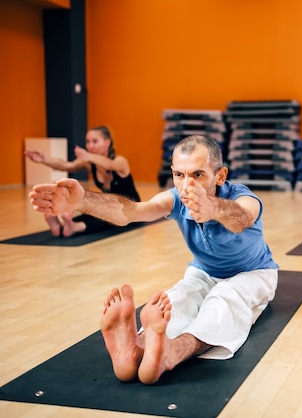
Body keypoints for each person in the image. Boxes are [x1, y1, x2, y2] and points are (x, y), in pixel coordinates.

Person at [29, 135, 278, 384]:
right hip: (203, 272)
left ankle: (174, 352)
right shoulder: (175, 199)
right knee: (178, 298)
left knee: (224, 298)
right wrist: (83, 200)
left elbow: (243, 217)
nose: (186, 185)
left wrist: (213, 208)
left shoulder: (242, 197)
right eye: (179, 175)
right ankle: (137, 347)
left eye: (198, 175)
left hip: (254, 274)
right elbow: (130, 211)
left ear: (220, 176)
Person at [24, 125, 140, 237]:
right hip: (111, 203)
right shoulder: (91, 164)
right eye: (88, 142)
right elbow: (67, 165)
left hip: (132, 208)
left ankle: (76, 227)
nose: (90, 146)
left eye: (95, 141)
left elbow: (109, 165)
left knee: (109, 215)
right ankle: (63, 225)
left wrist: (88, 156)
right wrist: (44, 159)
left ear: (107, 142)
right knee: (93, 211)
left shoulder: (120, 161)